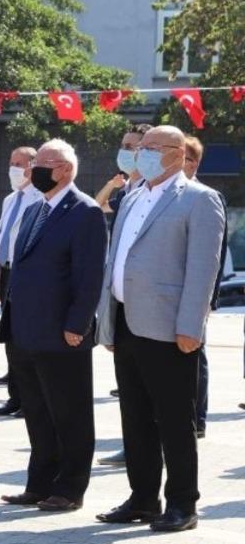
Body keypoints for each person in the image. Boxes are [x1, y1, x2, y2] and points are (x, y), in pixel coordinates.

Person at [94, 125, 225, 533]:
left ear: (177, 153)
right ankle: (143, 498)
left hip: (169, 328)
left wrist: (191, 327)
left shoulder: (200, 199)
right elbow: (116, 260)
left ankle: (183, 504)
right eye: (142, 148)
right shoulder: (133, 197)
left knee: (174, 420)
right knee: (135, 417)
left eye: (152, 148)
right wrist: (108, 321)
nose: (142, 154)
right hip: (127, 320)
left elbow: (202, 270)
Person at [0, 139, 106, 511]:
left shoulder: (85, 211)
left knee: (69, 413)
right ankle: (39, 483)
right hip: (25, 330)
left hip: (62, 332)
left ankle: (70, 488)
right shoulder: (34, 209)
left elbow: (89, 277)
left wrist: (77, 323)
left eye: (44, 163)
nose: (34, 170)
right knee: (38, 412)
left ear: (66, 170)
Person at [96, 123, 153, 465]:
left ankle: (151, 449)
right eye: (124, 145)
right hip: (121, 303)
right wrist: (113, 183)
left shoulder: (156, 192)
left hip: (148, 306)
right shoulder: (128, 192)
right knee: (129, 389)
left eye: (134, 146)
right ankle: (134, 447)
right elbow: (97, 206)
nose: (126, 151)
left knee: (151, 388)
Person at [0, 146, 42, 417]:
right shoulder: (11, 199)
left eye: (19, 163)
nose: (13, 168)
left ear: (33, 165)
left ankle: (32, 400)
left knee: (28, 338)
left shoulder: (41, 197)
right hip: (8, 272)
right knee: (11, 338)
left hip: (27, 274)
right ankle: (15, 396)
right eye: (12, 162)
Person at [181, 135, 227, 439]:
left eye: (183, 158)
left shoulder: (208, 197)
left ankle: (197, 418)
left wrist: (210, 299)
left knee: (196, 355)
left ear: (194, 163)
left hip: (196, 293)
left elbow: (216, 255)